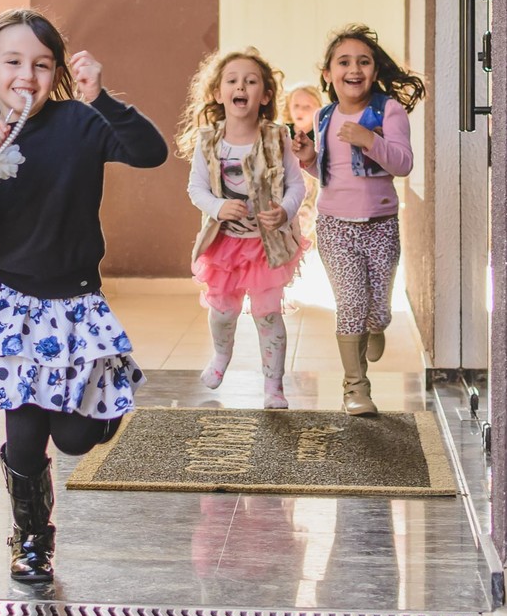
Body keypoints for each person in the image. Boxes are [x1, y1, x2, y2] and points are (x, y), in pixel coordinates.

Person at [0, 8, 167, 583]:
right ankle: (33, 541)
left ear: (58, 73)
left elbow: (151, 153)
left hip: (75, 306)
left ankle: (100, 413)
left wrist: (105, 99)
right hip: (12, 306)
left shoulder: (79, 122)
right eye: (13, 61)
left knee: (72, 438)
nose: (27, 74)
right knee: (24, 435)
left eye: (42, 64)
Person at [291, 24, 425, 416]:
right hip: (334, 225)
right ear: (329, 73)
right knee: (349, 301)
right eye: (344, 62)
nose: (354, 69)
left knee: (377, 307)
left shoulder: (390, 110)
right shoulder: (324, 115)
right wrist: (306, 158)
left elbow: (403, 164)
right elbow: (328, 171)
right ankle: (355, 387)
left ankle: (376, 324)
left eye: (363, 61)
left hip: (381, 224)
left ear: (374, 69)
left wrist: (370, 140)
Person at [176, 48, 306, 410]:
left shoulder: (277, 138)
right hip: (225, 244)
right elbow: (196, 188)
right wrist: (218, 207)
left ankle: (274, 386)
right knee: (222, 312)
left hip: (265, 245)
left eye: (251, 82)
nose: (241, 87)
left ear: (264, 95)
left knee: (268, 314)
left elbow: (297, 185)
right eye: (232, 81)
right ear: (218, 93)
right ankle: (221, 356)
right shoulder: (209, 141)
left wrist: (285, 211)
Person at [280, 83, 325, 243]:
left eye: (307, 106)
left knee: (302, 225)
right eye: (296, 105)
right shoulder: (283, 132)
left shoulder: (321, 133)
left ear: (318, 109)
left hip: (311, 188)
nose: (300, 111)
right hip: (286, 188)